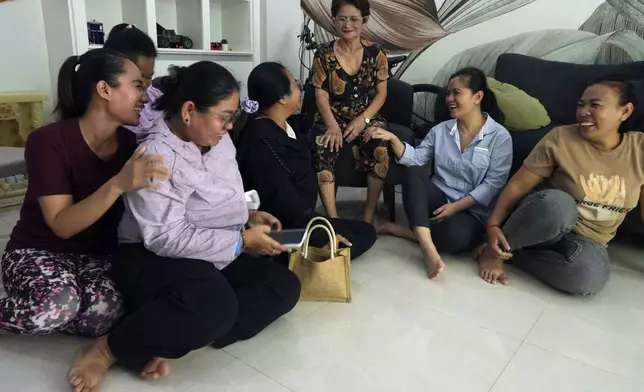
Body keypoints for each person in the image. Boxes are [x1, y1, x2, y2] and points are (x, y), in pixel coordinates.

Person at [67, 61, 301, 391]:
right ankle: (107, 349)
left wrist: (246, 215)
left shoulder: (218, 139)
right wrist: (242, 242)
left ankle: (170, 335)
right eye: (224, 116)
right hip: (151, 258)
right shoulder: (157, 154)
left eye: (232, 117)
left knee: (284, 285)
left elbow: (223, 192)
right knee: (217, 306)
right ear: (189, 110)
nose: (229, 127)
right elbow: (166, 237)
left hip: (213, 246)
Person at [0, 49, 168, 337]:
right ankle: (54, 305)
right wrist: (117, 184)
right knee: (55, 305)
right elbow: (61, 225)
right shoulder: (48, 142)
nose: (146, 96)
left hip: (96, 258)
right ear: (104, 89)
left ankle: (65, 304)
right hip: (39, 250)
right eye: (138, 85)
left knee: (103, 316)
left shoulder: (131, 145)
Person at [478, 76, 644, 294]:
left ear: (625, 111)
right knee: (558, 204)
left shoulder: (639, 149)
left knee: (589, 278)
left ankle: (512, 255)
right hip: (541, 222)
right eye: (581, 105)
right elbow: (518, 185)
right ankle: (495, 252)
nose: (584, 112)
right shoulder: (561, 138)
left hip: (586, 241)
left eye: (595, 105)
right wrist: (493, 226)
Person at [365, 67, 512, 279]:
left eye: (457, 93)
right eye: (448, 94)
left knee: (457, 239)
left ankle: (412, 232)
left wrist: (456, 207)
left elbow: (492, 185)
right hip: (438, 200)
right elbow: (415, 159)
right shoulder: (441, 130)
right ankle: (427, 248)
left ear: (477, 96)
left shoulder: (499, 137)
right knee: (413, 173)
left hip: (471, 211)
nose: (449, 99)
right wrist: (392, 138)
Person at [236, 62, 377, 261]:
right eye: (295, 85)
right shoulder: (262, 143)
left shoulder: (283, 124)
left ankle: (311, 249)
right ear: (282, 98)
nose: (300, 89)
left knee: (365, 230)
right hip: (283, 228)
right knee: (355, 237)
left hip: (301, 219)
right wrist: (319, 233)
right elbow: (285, 201)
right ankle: (289, 255)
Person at [310, 0, 390, 224]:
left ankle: (367, 215)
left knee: (380, 148)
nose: (348, 24)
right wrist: (332, 125)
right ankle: (333, 220)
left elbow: (381, 94)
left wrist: (363, 120)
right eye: (342, 19)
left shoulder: (376, 52)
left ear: (364, 20)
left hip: (366, 114)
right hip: (331, 114)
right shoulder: (323, 53)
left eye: (354, 19)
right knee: (322, 144)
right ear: (334, 20)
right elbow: (320, 94)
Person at [103, 23, 162, 132]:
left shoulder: (156, 97)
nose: (144, 84)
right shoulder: (109, 108)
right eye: (138, 80)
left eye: (149, 77)